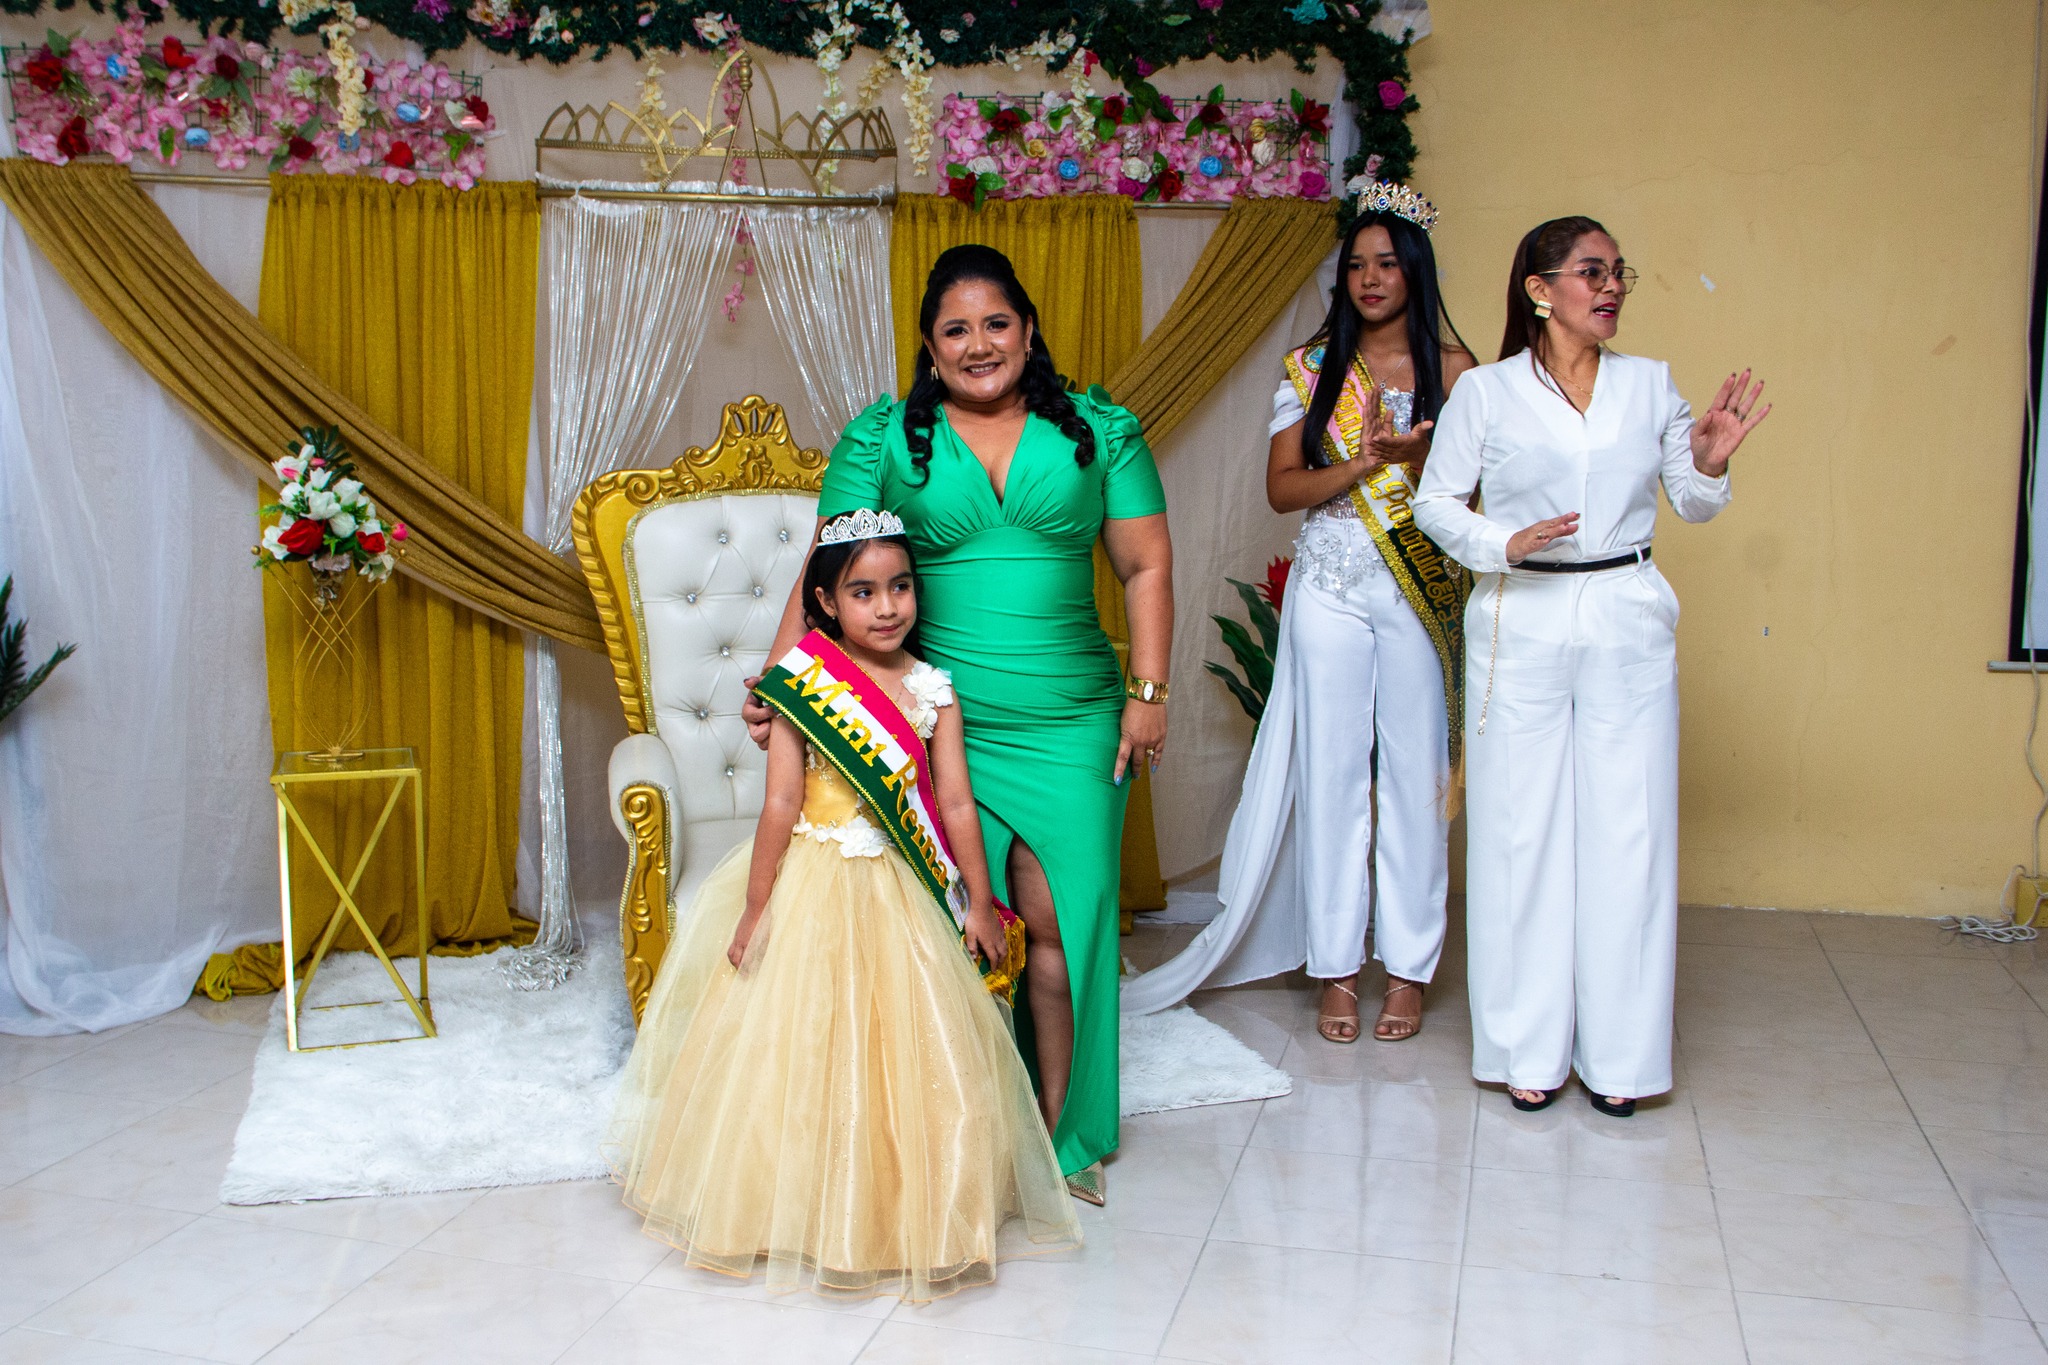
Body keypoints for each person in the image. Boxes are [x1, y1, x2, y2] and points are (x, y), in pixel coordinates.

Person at [743, 245, 1174, 1205]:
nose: (979, 344)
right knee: (959, 923)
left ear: (1028, 329)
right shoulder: (884, 439)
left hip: (1073, 717)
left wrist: (1149, 693)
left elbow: (1146, 565)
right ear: (930, 347)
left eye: (996, 324)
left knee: (1060, 918)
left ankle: (1067, 1133)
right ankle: (976, 1129)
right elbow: (824, 574)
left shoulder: (1100, 429)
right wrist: (780, 683)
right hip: (934, 718)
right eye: (956, 329)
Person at [606, 511, 1081, 1301]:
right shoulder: (802, 684)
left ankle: (900, 1208)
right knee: (792, 1048)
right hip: (810, 880)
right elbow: (780, 804)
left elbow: (955, 805)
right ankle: (788, 1203)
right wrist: (755, 908)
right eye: (863, 591)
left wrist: (976, 899)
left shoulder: (932, 691)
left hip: (902, 885)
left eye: (900, 587)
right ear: (825, 602)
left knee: (912, 1051)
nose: (887, 606)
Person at [1412, 215, 1770, 1117]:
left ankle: (1622, 1059)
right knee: (1519, 830)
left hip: (1625, 612)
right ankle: (1525, 1047)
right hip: (1522, 614)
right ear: (1540, 290)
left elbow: (1691, 501)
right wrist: (1502, 541)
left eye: (1618, 273)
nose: (1611, 287)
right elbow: (1435, 504)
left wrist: (1709, 463)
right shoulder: (1486, 392)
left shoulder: (1650, 385)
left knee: (1629, 830)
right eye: (1592, 271)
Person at [1122, 181, 1472, 1046]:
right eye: (1355, 265)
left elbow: (1474, 497)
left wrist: (1417, 459)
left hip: (1418, 583)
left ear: (1416, 269)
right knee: (1331, 775)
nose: (1370, 278)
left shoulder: (1459, 371)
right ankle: (1337, 967)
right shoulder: (1314, 369)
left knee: (1415, 776)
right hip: (1330, 584)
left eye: (1386, 263)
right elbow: (1282, 490)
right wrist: (1360, 465)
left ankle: (1410, 968)